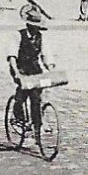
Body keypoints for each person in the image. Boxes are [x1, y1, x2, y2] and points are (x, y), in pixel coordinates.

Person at [11, 12, 53, 141]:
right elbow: (12, 57)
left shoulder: (40, 38)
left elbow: (46, 55)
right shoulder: (18, 36)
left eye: (37, 28)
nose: (35, 30)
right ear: (28, 25)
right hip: (21, 68)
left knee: (36, 97)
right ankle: (19, 117)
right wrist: (17, 72)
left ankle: (37, 125)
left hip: (35, 69)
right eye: (33, 27)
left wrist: (50, 67)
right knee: (22, 94)